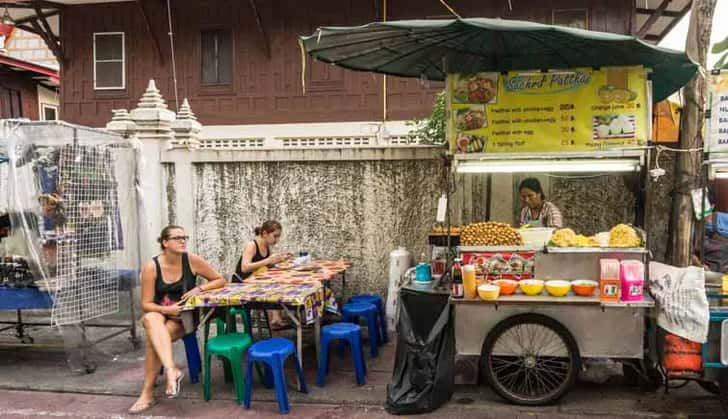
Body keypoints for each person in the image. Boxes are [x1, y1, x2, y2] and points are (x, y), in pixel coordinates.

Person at [128, 225, 226, 414]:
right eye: (177, 238)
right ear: (165, 242)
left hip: (184, 318)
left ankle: (147, 393)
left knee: (152, 340)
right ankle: (170, 370)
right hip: (160, 312)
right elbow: (146, 304)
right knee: (150, 319)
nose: (183, 241)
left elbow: (220, 279)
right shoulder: (152, 267)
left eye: (184, 237)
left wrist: (199, 289)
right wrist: (167, 309)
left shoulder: (192, 260)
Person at [234, 220, 292, 329]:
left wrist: (280, 259)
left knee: (280, 281)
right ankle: (275, 319)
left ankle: (276, 319)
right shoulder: (252, 245)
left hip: (256, 281)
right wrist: (268, 261)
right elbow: (245, 267)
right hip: (242, 284)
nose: (277, 240)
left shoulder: (266, 247)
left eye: (278, 237)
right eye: (275, 236)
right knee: (274, 286)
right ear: (265, 234)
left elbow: (264, 267)